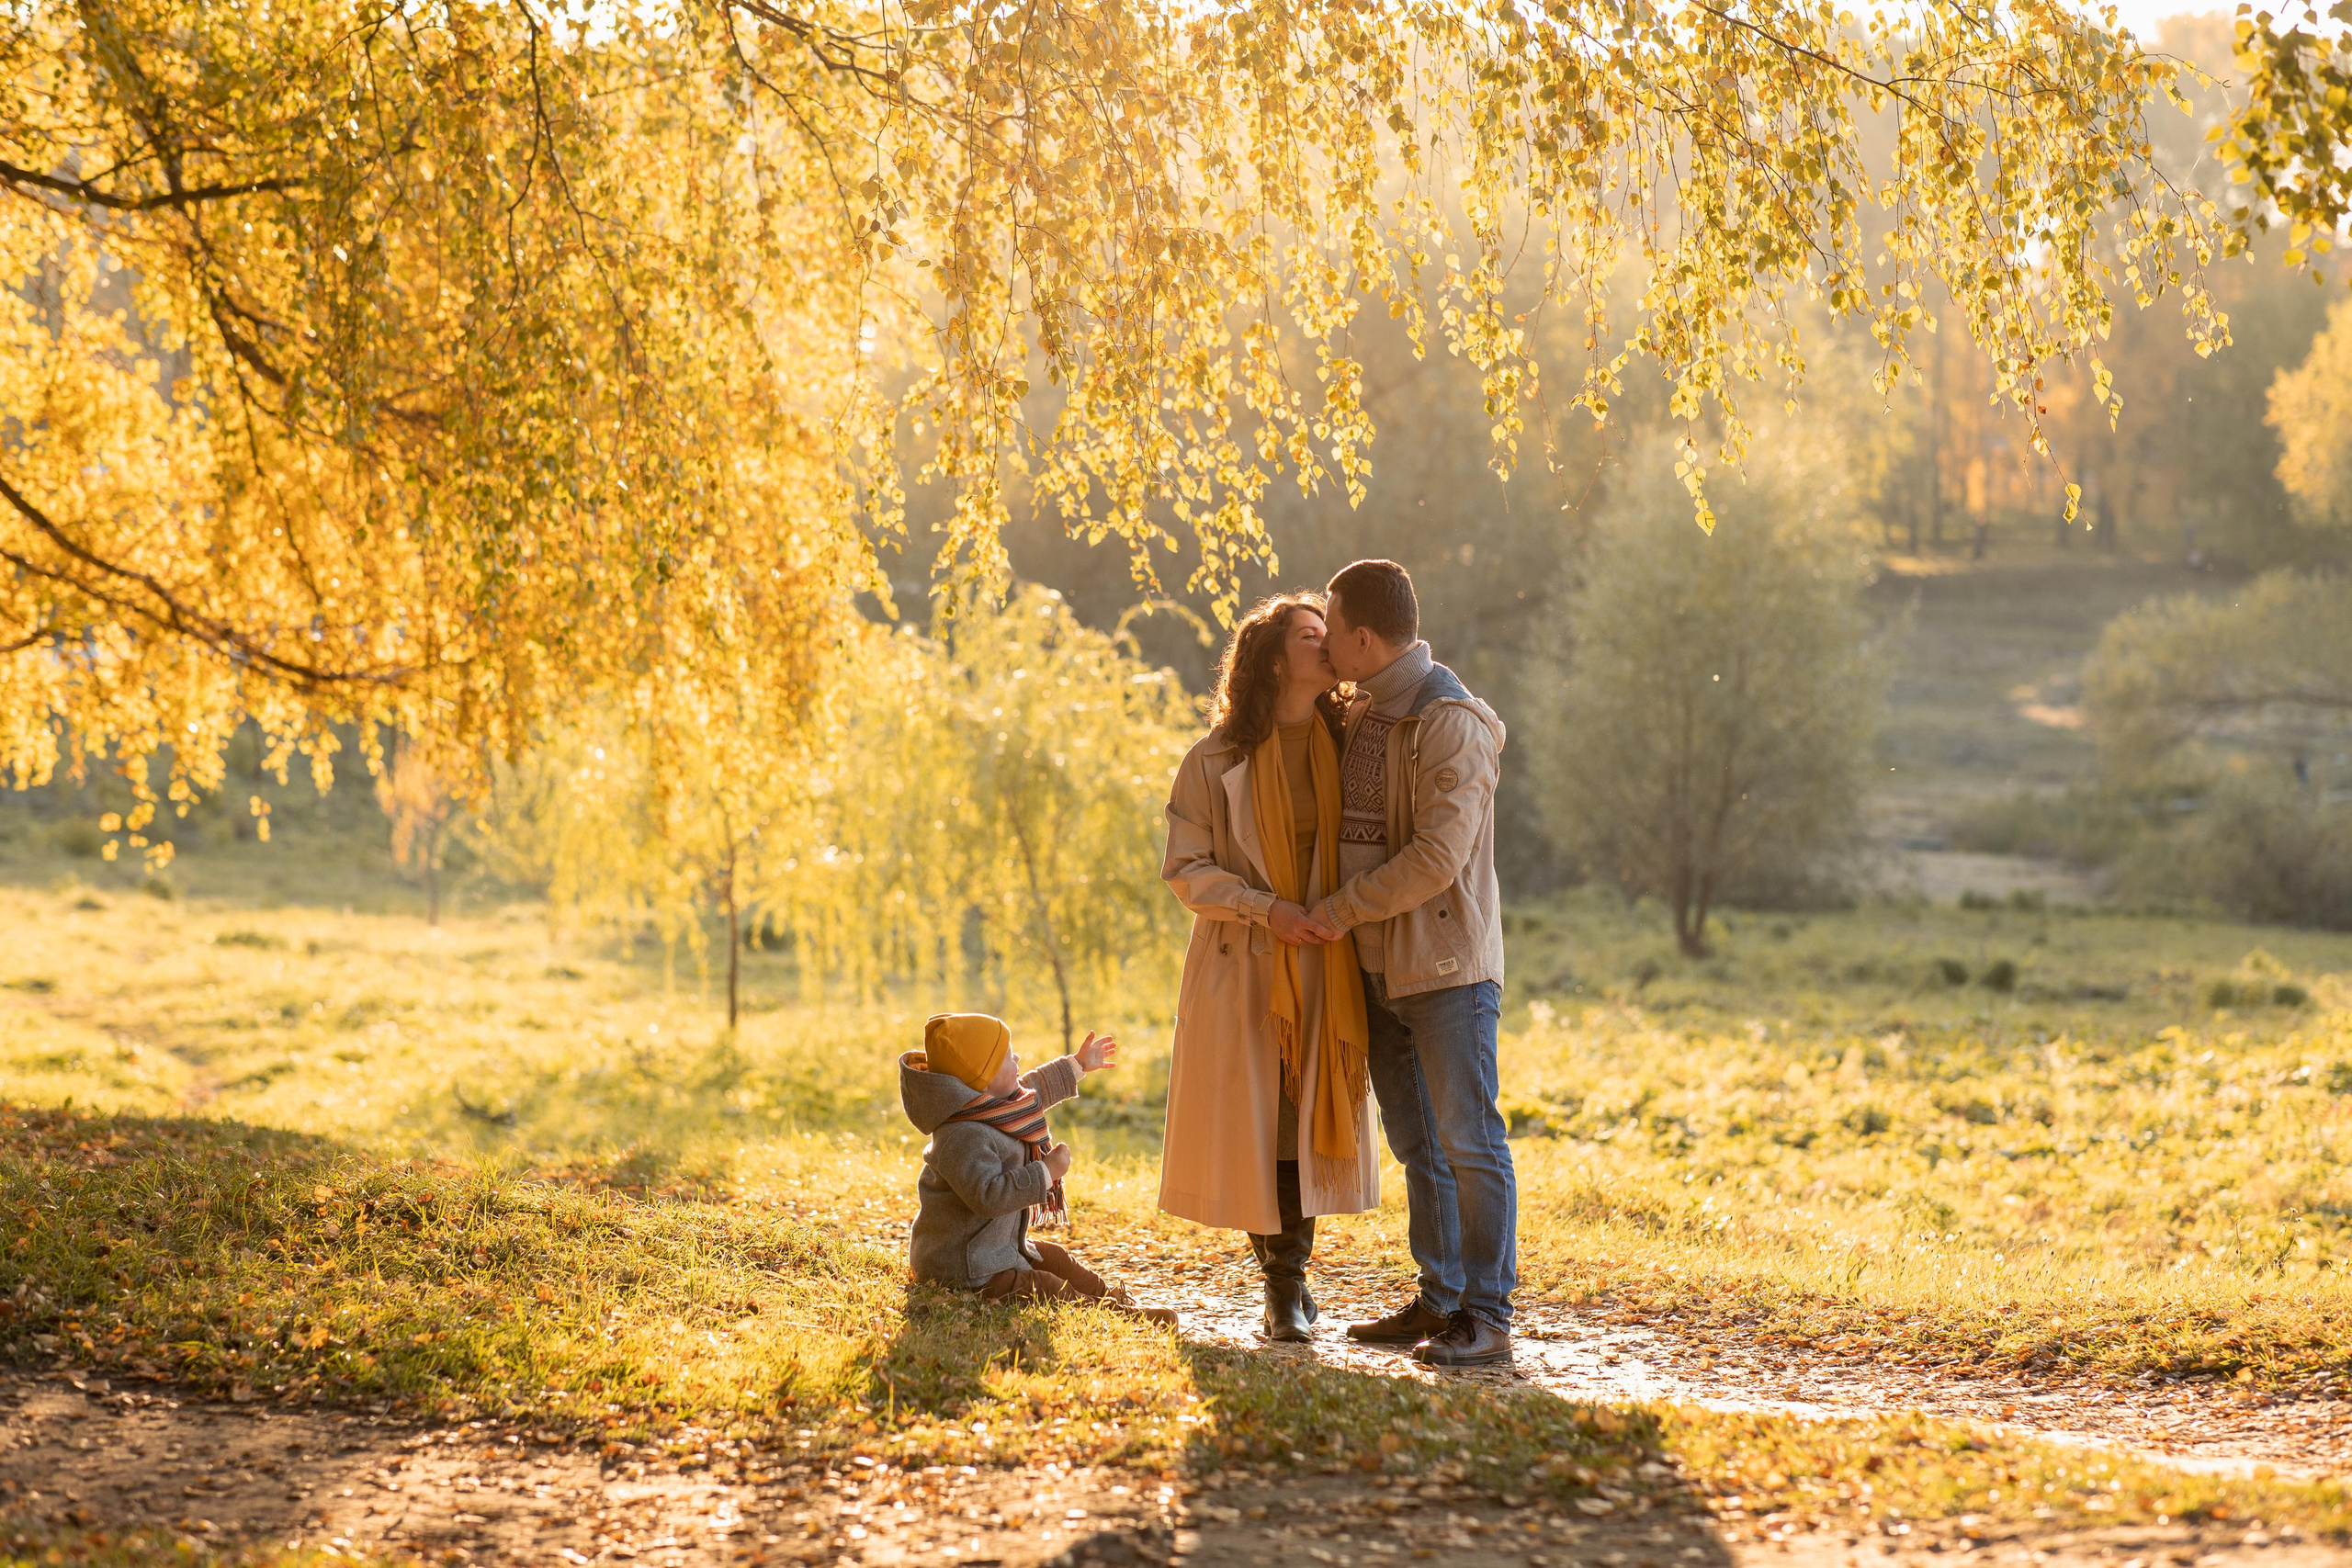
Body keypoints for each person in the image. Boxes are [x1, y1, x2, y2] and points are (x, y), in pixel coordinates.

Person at [1158, 592, 1380, 1341]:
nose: (1328, 643)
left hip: (1326, 959)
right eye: (1312, 634)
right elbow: (1186, 869)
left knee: (1301, 1123)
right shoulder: (1212, 758)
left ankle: (1287, 1285)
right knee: (1263, 1125)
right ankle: (1284, 1287)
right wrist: (1265, 907)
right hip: (1245, 962)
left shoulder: (1350, 739)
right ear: (1275, 659)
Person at [1314, 558, 1516, 1368]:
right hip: (1379, 968)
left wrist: (1337, 911)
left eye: (1332, 630)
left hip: (1444, 969)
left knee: (1470, 1140)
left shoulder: (1449, 722)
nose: (1325, 645)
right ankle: (1440, 1297)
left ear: (1364, 637)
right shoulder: (1367, 710)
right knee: (1419, 1143)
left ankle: (1488, 1314)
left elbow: (1436, 857)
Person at [900, 1011, 1175, 1322]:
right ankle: (1115, 1317)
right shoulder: (963, 1136)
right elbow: (988, 1196)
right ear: (983, 1078)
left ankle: (1112, 1298)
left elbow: (1035, 1090)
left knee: (1055, 1258)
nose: (1016, 1057)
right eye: (1007, 1056)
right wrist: (1045, 1172)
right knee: (1042, 1285)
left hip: (991, 1251)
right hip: (962, 1268)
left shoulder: (995, 1107)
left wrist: (1078, 1064)